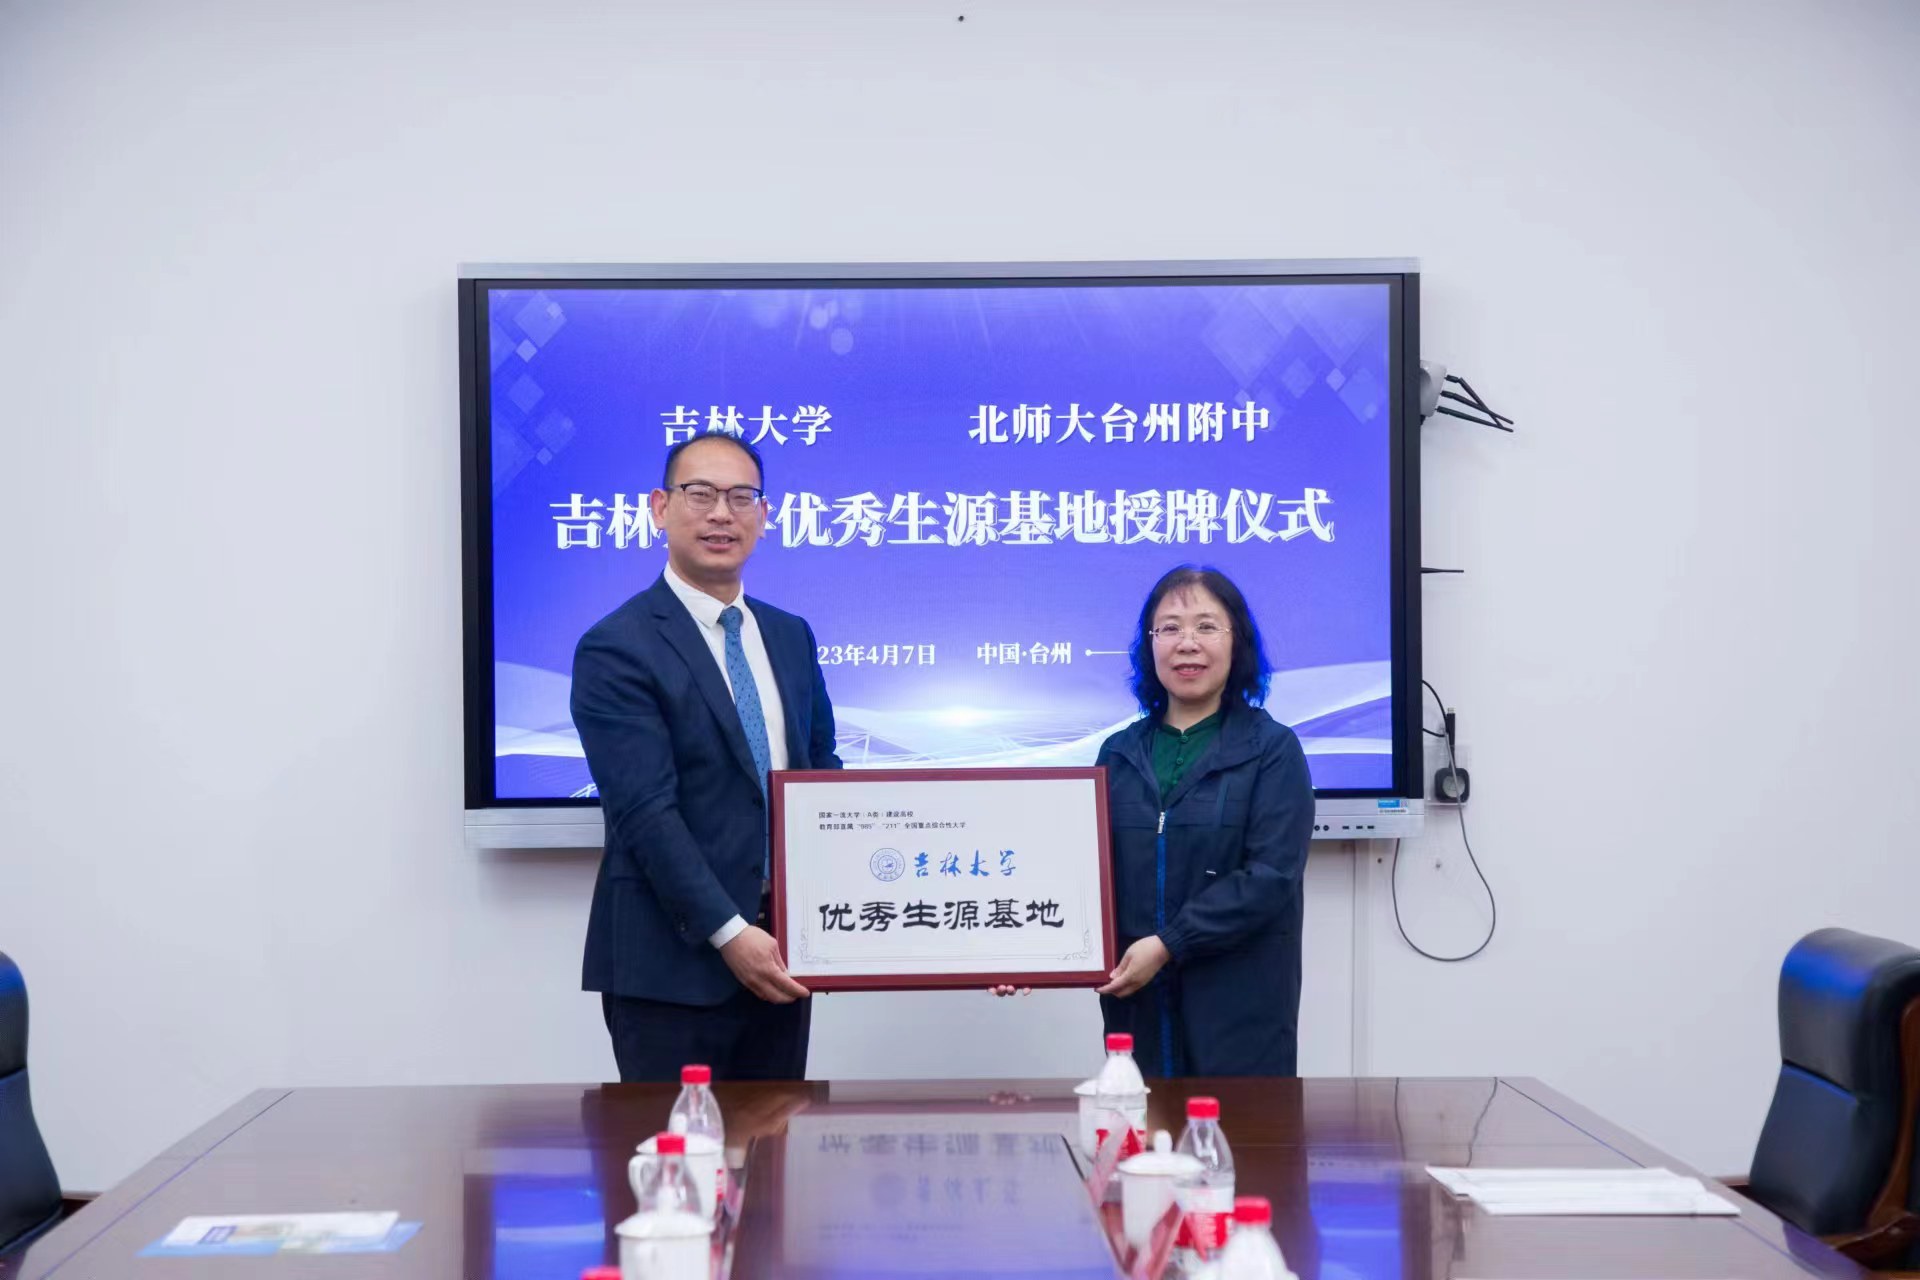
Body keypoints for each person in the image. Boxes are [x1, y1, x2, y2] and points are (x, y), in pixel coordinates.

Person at [570, 433, 842, 1082]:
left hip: (781, 956)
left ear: (764, 516)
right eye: (701, 494)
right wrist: (729, 932)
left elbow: (822, 780)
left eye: (741, 497)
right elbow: (644, 812)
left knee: (776, 1143)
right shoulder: (616, 646)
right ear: (660, 508)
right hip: (671, 969)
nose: (722, 513)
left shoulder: (790, 635)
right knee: (679, 1148)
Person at [997, 566, 1314, 1075]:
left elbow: (1270, 878)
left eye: (1206, 626)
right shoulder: (1118, 752)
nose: (1187, 643)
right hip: (1136, 1006)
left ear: (1237, 642)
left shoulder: (1272, 749)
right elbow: (1080, 874)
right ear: (1150, 646)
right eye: (1169, 628)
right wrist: (1027, 951)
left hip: (1240, 1012)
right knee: (1140, 1123)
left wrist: (1170, 943)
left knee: (1240, 1128)